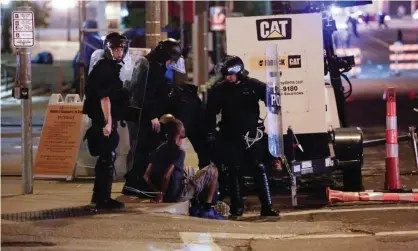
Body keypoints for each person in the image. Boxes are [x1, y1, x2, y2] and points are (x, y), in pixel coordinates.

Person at [206, 55, 279, 217]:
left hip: (252, 136)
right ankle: (237, 207)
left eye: (230, 74)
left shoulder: (253, 85)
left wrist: (274, 100)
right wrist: (211, 134)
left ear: (239, 72)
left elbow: (271, 96)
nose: (228, 78)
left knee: (259, 168)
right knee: (233, 171)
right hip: (229, 135)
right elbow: (209, 113)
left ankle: (267, 206)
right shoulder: (220, 90)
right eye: (225, 75)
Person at [122, 38, 183, 195]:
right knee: (144, 149)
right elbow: (146, 93)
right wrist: (153, 116)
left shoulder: (148, 62)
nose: (171, 63)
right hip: (145, 115)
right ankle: (135, 183)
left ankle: (134, 181)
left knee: (141, 148)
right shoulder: (154, 67)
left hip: (138, 113)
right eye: (171, 59)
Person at [83, 32, 130, 209]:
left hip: (103, 120)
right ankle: (104, 199)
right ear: (109, 49)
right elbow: (104, 98)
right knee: (106, 159)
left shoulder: (107, 67)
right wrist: (108, 122)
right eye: (116, 48)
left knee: (105, 158)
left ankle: (99, 196)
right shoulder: (105, 69)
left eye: (121, 49)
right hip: (103, 122)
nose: (119, 52)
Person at [143, 119, 226, 220]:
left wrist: (156, 191)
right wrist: (162, 194)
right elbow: (166, 176)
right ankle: (208, 209)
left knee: (189, 169)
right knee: (213, 171)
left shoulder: (159, 149)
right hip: (177, 194)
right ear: (180, 132)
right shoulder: (179, 152)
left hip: (167, 191)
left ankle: (196, 203)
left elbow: (146, 176)